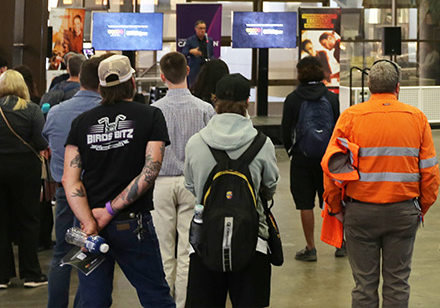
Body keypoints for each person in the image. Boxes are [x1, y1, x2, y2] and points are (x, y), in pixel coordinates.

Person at [62, 54, 176, 308]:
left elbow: (70, 179)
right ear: (132, 82)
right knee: (155, 296)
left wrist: (90, 221)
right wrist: (110, 210)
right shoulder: (150, 116)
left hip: (90, 227)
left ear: (100, 87)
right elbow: (150, 170)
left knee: (93, 301)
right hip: (131, 224)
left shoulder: (81, 122)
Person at [323, 60, 439, 308]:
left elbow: (332, 170)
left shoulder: (350, 117)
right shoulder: (417, 118)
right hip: (403, 211)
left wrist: (335, 207)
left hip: (360, 212)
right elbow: (430, 173)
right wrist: (419, 208)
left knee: (364, 286)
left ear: (369, 86)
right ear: (398, 87)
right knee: (397, 284)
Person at [183, 73, 280, 308]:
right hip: (252, 241)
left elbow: (191, 185)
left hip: (205, 241)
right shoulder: (262, 143)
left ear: (214, 100)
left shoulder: (196, 142)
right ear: (247, 101)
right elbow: (270, 186)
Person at [42, 52, 108, 307]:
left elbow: (46, 142)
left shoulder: (56, 112)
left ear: (79, 78)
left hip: (64, 193)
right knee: (95, 253)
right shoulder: (107, 113)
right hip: (99, 196)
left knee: (61, 253)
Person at [150, 51, 215, 308]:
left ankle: (164, 303)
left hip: (161, 185)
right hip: (192, 184)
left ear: (162, 77)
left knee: (164, 252)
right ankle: (184, 304)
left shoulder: (154, 111)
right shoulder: (205, 109)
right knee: (188, 251)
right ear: (188, 71)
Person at [280, 56, 341, 261]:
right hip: (327, 159)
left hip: (301, 158)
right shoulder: (331, 97)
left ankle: (311, 247)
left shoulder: (293, 99)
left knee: (305, 204)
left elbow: (285, 131)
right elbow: (338, 129)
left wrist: (292, 151)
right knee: (332, 200)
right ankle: (340, 244)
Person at [0, 69, 48, 290]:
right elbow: (40, 142)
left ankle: (2, 276)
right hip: (26, 170)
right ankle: (31, 274)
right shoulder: (32, 110)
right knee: (28, 220)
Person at [180, 20, 213, 89]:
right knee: (194, 88)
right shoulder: (190, 40)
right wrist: (191, 51)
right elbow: (183, 52)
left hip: (206, 68)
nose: (202, 30)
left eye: (204, 28)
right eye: (200, 28)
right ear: (196, 29)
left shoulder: (209, 40)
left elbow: (211, 53)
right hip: (195, 69)